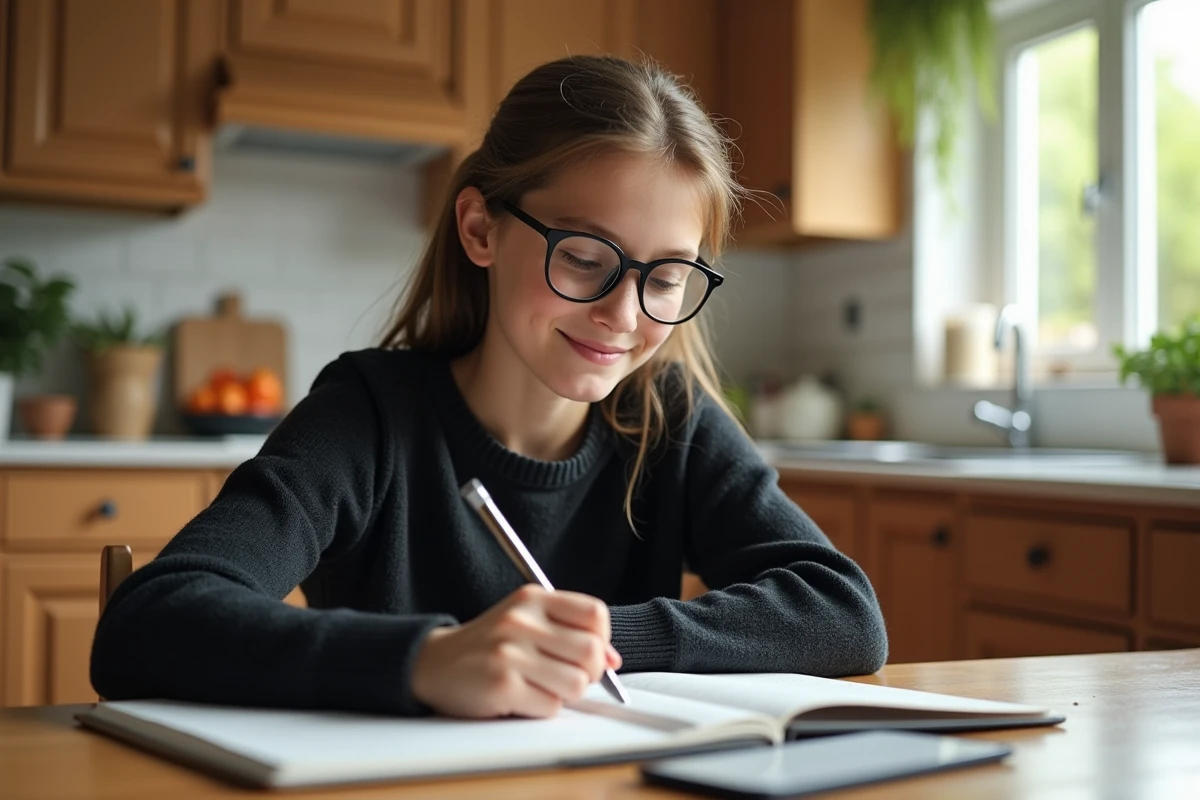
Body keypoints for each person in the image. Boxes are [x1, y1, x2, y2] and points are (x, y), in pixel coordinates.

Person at [91, 56, 887, 720]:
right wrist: (426, 660)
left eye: (668, 277)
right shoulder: (369, 414)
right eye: (584, 256)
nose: (620, 313)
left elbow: (843, 613)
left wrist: (594, 637)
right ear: (481, 229)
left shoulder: (669, 419)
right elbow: (148, 622)